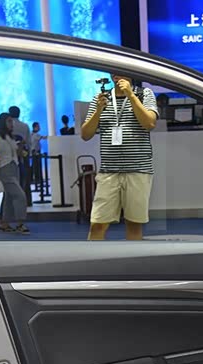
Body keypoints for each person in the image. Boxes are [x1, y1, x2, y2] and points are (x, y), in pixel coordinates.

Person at [81, 73, 158, 241]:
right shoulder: (101, 98)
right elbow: (85, 134)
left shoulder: (144, 94)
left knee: (134, 225)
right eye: (113, 71)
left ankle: (133, 258)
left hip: (138, 169)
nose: (117, 74)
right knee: (97, 224)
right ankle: (93, 257)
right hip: (109, 171)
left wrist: (131, 95)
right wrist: (98, 110)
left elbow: (149, 123)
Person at [0, 112, 29, 234]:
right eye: (9, 121)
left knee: (9, 197)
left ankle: (5, 222)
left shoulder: (10, 137)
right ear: (3, 122)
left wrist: (21, 146)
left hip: (14, 167)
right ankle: (20, 222)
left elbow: (17, 153)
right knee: (20, 195)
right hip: (5, 169)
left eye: (11, 121)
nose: (11, 123)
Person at [7, 106, 32, 199]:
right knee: (25, 177)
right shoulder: (25, 126)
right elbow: (28, 142)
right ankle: (27, 199)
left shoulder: (7, 127)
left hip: (10, 156)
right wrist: (29, 154)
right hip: (23, 154)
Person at [30, 122, 47, 192]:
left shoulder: (31, 134)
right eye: (38, 126)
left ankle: (36, 180)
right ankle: (38, 180)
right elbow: (43, 137)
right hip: (36, 152)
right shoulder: (36, 135)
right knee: (37, 167)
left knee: (34, 166)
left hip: (33, 152)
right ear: (35, 127)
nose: (39, 127)